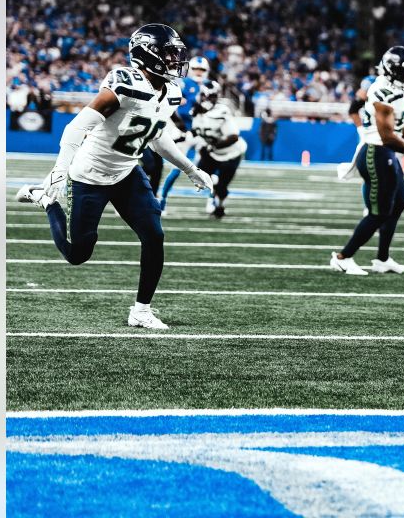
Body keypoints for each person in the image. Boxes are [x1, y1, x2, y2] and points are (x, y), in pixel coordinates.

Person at [15, 24, 214, 330]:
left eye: (177, 54)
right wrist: (59, 172)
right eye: (169, 54)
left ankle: (142, 310)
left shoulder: (171, 92)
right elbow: (74, 129)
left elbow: (157, 139)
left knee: (154, 235)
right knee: (78, 254)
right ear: (148, 55)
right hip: (89, 175)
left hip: (127, 173)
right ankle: (44, 200)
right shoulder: (125, 84)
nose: (176, 61)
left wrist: (192, 170)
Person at [330, 47, 404, 275]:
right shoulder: (385, 92)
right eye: (401, 70)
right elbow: (387, 137)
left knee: (398, 203)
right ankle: (343, 257)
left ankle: (382, 258)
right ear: (389, 70)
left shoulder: (392, 86)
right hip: (376, 152)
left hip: (384, 153)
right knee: (378, 212)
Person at [156, 54, 210, 212]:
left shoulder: (210, 85)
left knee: (210, 166)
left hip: (202, 132)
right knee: (178, 166)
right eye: (196, 69)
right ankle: (163, 198)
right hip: (185, 131)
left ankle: (212, 201)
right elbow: (176, 108)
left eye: (202, 69)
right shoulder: (183, 84)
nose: (199, 72)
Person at [191, 80, 247, 219]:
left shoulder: (222, 111)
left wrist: (213, 145)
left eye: (212, 96)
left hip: (231, 153)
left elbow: (233, 137)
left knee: (222, 187)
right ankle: (213, 188)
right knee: (199, 175)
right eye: (205, 95)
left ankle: (220, 206)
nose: (208, 99)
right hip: (212, 151)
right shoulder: (195, 112)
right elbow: (192, 131)